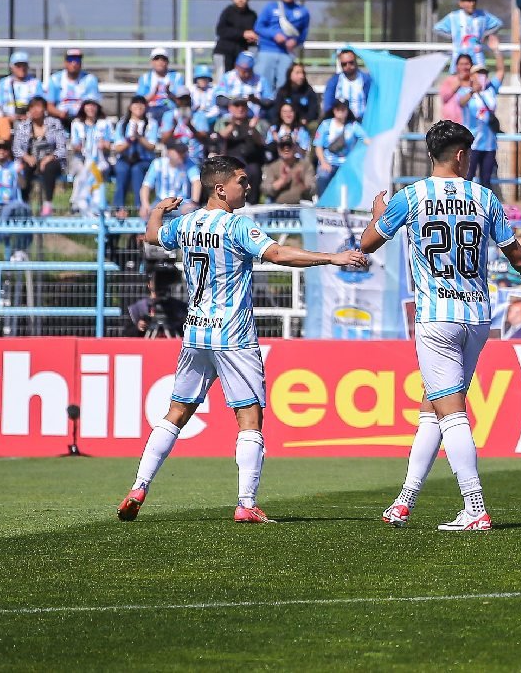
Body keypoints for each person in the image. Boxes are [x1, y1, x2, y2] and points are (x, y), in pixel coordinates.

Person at [117, 157, 369, 524]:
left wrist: (157, 209)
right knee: (250, 417)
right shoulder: (236, 226)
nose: (248, 187)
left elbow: (152, 235)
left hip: (196, 333)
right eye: (242, 181)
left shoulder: (185, 223)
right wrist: (333, 257)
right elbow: (278, 253)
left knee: (176, 413)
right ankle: (246, 504)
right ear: (220, 189)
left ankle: (140, 486)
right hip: (233, 334)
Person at [362, 120, 521, 530]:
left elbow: (368, 243)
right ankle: (405, 500)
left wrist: (378, 216)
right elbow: (518, 259)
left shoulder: (411, 196)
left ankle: (474, 505)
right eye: (469, 153)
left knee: (451, 410)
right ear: (460, 155)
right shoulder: (485, 197)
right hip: (476, 316)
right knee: (435, 407)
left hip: (437, 317)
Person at [252, 0, 309, 101]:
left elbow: (303, 33)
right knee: (263, 82)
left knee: (285, 84)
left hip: (286, 53)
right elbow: (258, 27)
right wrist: (274, 34)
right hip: (267, 50)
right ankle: (262, 109)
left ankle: (282, 109)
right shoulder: (270, 7)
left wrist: (296, 41)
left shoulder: (303, 12)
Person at [13, 97, 67, 216]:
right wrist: (26, 156)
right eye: (32, 107)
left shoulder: (54, 123)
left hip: (51, 159)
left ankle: (48, 203)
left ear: (44, 109)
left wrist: (49, 157)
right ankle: (24, 204)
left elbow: (62, 148)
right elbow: (16, 148)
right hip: (31, 158)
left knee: (49, 168)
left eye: (38, 106)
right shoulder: (23, 126)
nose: (35, 110)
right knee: (24, 169)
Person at [435, 0, 506, 76]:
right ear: (460, 3)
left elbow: (498, 24)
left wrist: (485, 35)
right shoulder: (453, 17)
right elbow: (437, 28)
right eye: (468, 0)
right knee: (457, 84)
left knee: (480, 83)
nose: (472, 3)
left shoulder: (483, 15)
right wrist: (452, 36)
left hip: (477, 58)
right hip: (459, 59)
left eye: (474, 0)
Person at [108, 97, 159, 216]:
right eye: (136, 105)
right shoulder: (123, 124)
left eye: (142, 105)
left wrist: (139, 137)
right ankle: (119, 208)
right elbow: (118, 147)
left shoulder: (151, 124)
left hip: (143, 159)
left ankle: (140, 207)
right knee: (121, 170)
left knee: (137, 171)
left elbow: (152, 146)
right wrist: (130, 140)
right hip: (125, 158)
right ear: (130, 107)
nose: (139, 108)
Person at [212, 98, 268, 203]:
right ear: (230, 108)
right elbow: (219, 137)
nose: (240, 109)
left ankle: (252, 203)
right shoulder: (223, 122)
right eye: (236, 106)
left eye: (243, 106)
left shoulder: (253, 122)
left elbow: (261, 142)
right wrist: (232, 125)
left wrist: (252, 129)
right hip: (231, 161)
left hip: (250, 161)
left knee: (254, 171)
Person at [457, 65, 502, 191]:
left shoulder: (491, 91)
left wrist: (496, 50)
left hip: (489, 143)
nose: (482, 76)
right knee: (468, 177)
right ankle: (464, 206)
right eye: (478, 73)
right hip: (472, 143)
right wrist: (473, 91)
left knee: (486, 180)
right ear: (472, 76)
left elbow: (501, 71)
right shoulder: (465, 91)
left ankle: (483, 208)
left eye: (484, 73)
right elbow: (461, 102)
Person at [313, 100, 364, 197]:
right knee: (323, 176)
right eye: (338, 109)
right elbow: (318, 146)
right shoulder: (326, 125)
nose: (340, 111)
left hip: (347, 163)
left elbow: (366, 140)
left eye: (343, 109)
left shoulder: (353, 126)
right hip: (329, 162)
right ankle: (323, 203)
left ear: (347, 111)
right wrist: (324, 163)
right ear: (334, 110)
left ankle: (352, 205)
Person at [140, 141, 201, 217]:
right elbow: (146, 186)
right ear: (169, 152)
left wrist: (193, 202)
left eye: (183, 152)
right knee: (146, 213)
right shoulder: (157, 163)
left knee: (191, 212)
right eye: (178, 152)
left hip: (182, 202)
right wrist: (145, 204)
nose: (181, 155)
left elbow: (196, 182)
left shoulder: (190, 164)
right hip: (160, 201)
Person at [213, 0, 258, 75]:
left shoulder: (252, 15)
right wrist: (243, 34)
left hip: (241, 55)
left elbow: (254, 33)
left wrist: (252, 39)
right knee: (223, 80)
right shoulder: (228, 12)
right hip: (224, 52)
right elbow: (220, 31)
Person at [45, 49, 100, 121]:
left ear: (81, 62)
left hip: (82, 120)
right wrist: (61, 114)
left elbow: (93, 105)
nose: (74, 63)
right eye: (70, 59)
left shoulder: (90, 79)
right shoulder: (55, 79)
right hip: (60, 120)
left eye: (77, 60)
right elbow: (49, 107)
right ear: (65, 62)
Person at [322, 49, 371, 123]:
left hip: (363, 123)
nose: (348, 66)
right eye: (344, 64)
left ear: (356, 61)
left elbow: (372, 104)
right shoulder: (334, 81)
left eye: (351, 62)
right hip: (341, 123)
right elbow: (328, 105)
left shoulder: (366, 80)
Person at [261, 138, 314, 205]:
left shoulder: (306, 165)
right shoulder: (271, 167)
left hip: (301, 206)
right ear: (278, 150)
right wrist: (281, 182)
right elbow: (265, 189)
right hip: (278, 207)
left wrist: (301, 183)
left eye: (289, 145)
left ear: (295, 148)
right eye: (282, 146)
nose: (286, 148)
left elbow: (312, 188)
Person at [0, 51, 44, 122]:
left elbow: (41, 106)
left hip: (31, 122)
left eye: (24, 65)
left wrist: (30, 115)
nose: (22, 68)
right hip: (8, 123)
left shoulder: (36, 83)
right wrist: (7, 117)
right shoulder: (4, 82)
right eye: (18, 65)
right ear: (12, 67)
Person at [136, 47, 181, 122]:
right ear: (152, 62)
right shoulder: (145, 78)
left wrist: (169, 93)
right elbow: (139, 102)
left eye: (163, 59)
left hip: (171, 113)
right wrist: (153, 93)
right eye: (157, 59)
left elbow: (182, 101)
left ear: (167, 61)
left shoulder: (177, 77)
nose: (160, 61)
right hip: (150, 112)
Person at [218, 52, 265, 119]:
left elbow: (269, 102)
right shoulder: (227, 77)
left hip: (254, 118)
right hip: (230, 118)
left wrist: (255, 100)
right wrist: (237, 100)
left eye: (249, 70)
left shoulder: (260, 80)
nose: (246, 74)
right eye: (244, 71)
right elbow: (219, 99)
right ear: (236, 66)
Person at [273, 62, 320, 127]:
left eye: (303, 73)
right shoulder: (283, 92)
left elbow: (314, 111)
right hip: (285, 125)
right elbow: (276, 112)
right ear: (289, 75)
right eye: (297, 73)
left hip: (304, 125)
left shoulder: (309, 91)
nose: (301, 76)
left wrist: (306, 119)